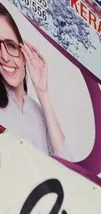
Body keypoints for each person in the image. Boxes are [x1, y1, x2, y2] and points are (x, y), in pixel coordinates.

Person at [0, 3, 70, 157]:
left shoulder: (37, 111)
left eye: (10, 45)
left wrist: (42, 92)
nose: (4, 57)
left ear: (24, 52)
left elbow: (66, 161)